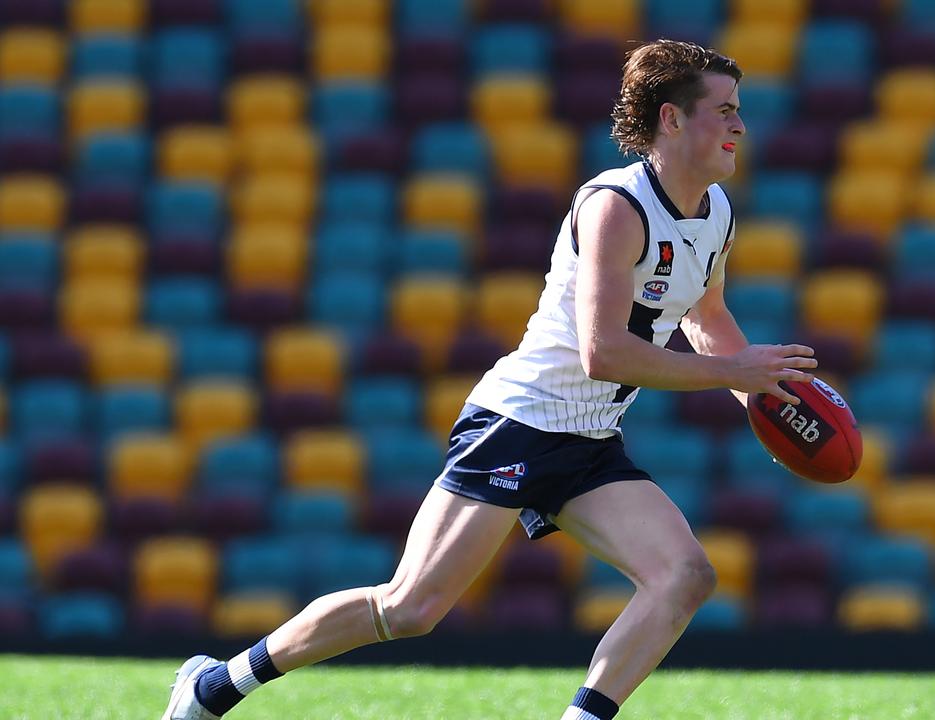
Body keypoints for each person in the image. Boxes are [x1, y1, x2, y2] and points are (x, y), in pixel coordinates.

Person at [161, 38, 817, 720]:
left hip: (589, 439)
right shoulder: (615, 208)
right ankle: (213, 687)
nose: (741, 125)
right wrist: (727, 373)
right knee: (410, 607)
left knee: (684, 576)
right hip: (519, 424)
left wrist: (764, 393)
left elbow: (706, 317)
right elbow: (604, 354)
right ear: (671, 119)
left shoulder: (716, 213)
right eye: (726, 110)